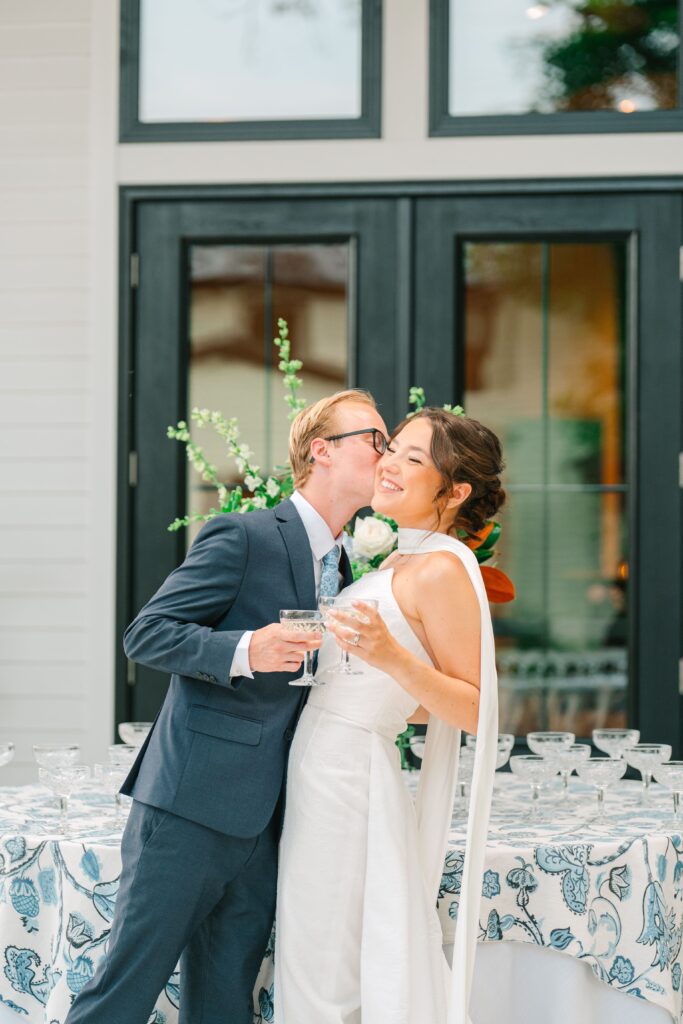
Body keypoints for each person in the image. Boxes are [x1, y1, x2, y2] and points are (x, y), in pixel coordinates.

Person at [65, 389, 389, 1024]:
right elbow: (147, 632)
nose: (388, 453)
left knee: (223, 1005)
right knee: (123, 994)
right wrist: (247, 648)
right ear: (322, 451)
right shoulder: (244, 535)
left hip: (272, 822)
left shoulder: (354, 564)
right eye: (374, 440)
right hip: (189, 808)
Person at [274, 408, 505, 1024]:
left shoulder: (441, 568)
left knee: (329, 960)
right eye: (391, 448)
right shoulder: (398, 562)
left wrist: (390, 660)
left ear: (454, 492)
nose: (389, 463)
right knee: (318, 946)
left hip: (350, 773)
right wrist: (384, 689)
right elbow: (422, 702)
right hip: (323, 761)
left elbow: (478, 709)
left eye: (413, 458)